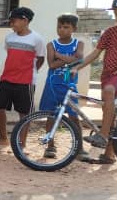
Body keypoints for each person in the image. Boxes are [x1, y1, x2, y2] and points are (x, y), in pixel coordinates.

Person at [72, 0, 117, 165]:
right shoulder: (110, 33)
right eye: (116, 13)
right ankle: (109, 155)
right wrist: (77, 67)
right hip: (107, 75)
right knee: (107, 113)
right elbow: (96, 53)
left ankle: (102, 135)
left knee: (109, 91)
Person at [38, 14, 88, 161]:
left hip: (69, 86)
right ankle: (50, 146)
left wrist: (59, 55)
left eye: (66, 27)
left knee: (74, 116)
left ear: (74, 28)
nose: (61, 30)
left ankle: (79, 148)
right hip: (52, 85)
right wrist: (70, 59)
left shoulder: (78, 43)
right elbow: (51, 65)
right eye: (59, 26)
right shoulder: (51, 44)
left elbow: (79, 58)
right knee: (51, 115)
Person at [0, 7, 46, 145]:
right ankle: (3, 138)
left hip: (25, 81)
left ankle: (22, 142)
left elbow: (40, 58)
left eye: (13, 21)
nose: (11, 24)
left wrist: (32, 71)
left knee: (24, 112)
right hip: (6, 78)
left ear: (25, 20)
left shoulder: (37, 39)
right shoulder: (9, 37)